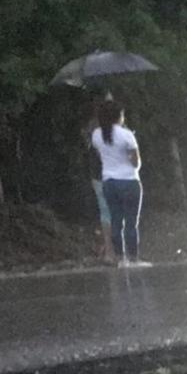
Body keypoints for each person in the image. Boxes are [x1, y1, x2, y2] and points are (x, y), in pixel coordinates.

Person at [91, 100, 148, 267]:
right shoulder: (127, 135)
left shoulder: (97, 135)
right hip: (129, 181)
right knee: (131, 222)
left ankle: (120, 258)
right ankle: (134, 258)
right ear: (119, 116)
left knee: (116, 221)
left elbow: (100, 153)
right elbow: (136, 163)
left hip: (108, 182)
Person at [84, 109, 115, 263]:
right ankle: (112, 251)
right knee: (111, 211)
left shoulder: (93, 128)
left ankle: (109, 251)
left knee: (106, 212)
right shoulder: (103, 130)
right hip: (106, 175)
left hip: (98, 175)